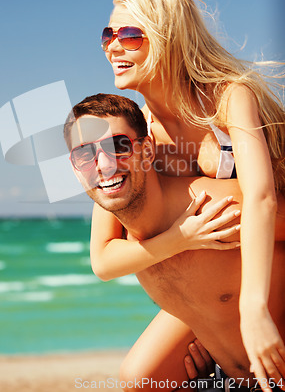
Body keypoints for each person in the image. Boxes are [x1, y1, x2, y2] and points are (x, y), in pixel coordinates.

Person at [94, 0, 285, 389]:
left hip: (267, 269)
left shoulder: (229, 96)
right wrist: (182, 238)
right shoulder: (136, 131)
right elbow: (104, 256)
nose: (113, 45)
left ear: (166, 36)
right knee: (140, 378)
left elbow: (261, 197)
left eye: (129, 34)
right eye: (109, 33)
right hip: (212, 294)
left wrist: (254, 310)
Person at [63, 93, 285, 392]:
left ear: (146, 150)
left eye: (118, 146)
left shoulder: (210, 210)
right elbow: (101, 264)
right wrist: (179, 239)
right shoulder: (129, 236)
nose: (104, 164)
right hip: (239, 380)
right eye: (84, 154)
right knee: (140, 380)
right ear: (75, 167)